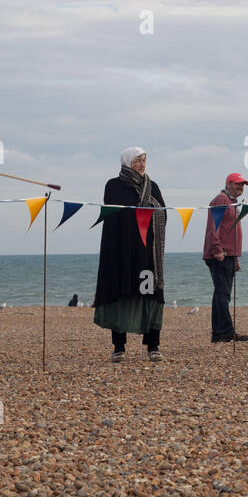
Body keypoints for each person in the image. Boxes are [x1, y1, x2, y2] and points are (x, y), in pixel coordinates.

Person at [94, 148, 168, 362]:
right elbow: (114, 215)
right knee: (121, 293)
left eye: (143, 160)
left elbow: (163, 211)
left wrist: (148, 210)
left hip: (147, 252)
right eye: (137, 161)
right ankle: (119, 347)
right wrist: (138, 212)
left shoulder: (152, 186)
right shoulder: (113, 185)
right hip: (122, 251)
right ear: (127, 163)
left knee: (150, 294)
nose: (141, 165)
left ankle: (153, 346)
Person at [203, 173, 248, 343]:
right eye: (237, 184)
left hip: (229, 255)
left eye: (242, 185)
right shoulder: (221, 200)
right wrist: (217, 249)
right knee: (223, 294)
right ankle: (226, 332)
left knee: (221, 294)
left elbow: (231, 230)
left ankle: (219, 334)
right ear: (228, 184)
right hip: (220, 255)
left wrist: (236, 259)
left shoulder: (232, 202)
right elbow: (213, 225)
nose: (241, 187)